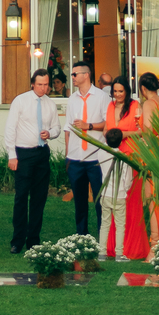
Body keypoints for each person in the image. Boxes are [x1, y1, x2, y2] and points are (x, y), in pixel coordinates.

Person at [4, 67, 61, 255]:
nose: (43, 88)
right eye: (39, 85)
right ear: (32, 84)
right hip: (23, 154)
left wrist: (50, 133)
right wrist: (12, 154)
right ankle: (17, 240)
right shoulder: (20, 101)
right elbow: (11, 128)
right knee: (21, 198)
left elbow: (57, 128)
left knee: (39, 199)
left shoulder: (50, 104)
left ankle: (33, 240)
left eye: (46, 85)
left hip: (41, 153)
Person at [104, 76, 149, 260]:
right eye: (114, 91)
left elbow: (142, 131)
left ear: (127, 91)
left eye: (120, 91)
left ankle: (132, 246)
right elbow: (107, 130)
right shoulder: (110, 106)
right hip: (113, 155)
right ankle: (114, 246)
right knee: (113, 199)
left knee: (130, 201)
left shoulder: (135, 106)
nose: (117, 95)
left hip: (131, 156)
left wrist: (123, 134)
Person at [64, 60, 110, 236]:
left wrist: (88, 126)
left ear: (86, 75)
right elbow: (68, 128)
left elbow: (107, 123)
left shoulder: (101, 97)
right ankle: (81, 236)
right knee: (80, 203)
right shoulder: (72, 99)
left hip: (95, 157)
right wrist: (68, 155)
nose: (73, 78)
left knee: (100, 200)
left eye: (75, 74)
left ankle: (102, 237)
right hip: (76, 158)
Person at [135, 72, 159, 247]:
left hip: (154, 156)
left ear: (143, 88)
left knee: (152, 201)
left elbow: (148, 130)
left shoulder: (149, 104)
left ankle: (155, 245)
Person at [97, 125, 131, 260]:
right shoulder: (123, 158)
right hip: (119, 194)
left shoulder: (101, 153)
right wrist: (125, 189)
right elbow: (127, 179)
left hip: (105, 193)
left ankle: (102, 253)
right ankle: (119, 253)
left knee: (105, 223)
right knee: (120, 225)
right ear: (121, 141)